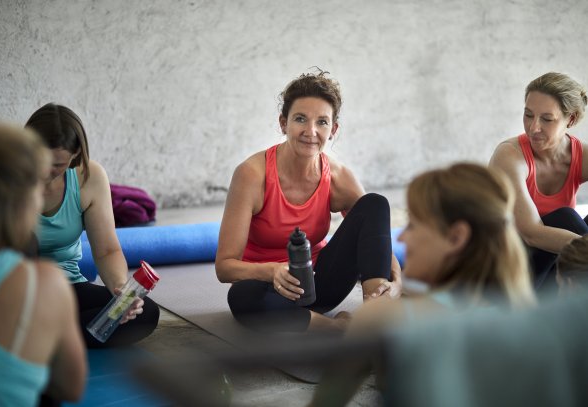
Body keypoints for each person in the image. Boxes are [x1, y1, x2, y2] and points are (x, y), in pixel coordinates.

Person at [309, 163, 537, 407]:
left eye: (414, 225)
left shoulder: (382, 317)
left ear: (456, 237)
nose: (404, 236)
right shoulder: (530, 319)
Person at [215, 70, 402, 332]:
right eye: (300, 119)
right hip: (270, 290)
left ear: (333, 129)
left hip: (319, 285)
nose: (311, 131)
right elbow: (224, 268)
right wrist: (272, 271)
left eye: (322, 122)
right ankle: (337, 329)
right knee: (241, 298)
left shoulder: (337, 176)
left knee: (375, 203)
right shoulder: (251, 174)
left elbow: (375, 236)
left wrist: (396, 283)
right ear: (284, 123)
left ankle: (376, 318)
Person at [25, 103, 159, 348]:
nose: (46, 171)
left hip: (65, 286)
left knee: (145, 313)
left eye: (58, 165)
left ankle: (42, 338)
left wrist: (121, 291)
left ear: (75, 155)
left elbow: (107, 250)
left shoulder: (89, 177)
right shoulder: (5, 174)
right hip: (17, 290)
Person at [0, 120, 86, 405]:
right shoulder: (44, 282)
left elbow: (109, 249)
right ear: (20, 198)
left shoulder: (86, 178)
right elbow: (71, 388)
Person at [489, 72, 588, 290]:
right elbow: (531, 234)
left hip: (553, 268)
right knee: (566, 219)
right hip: (503, 271)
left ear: (570, 119)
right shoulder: (509, 155)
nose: (534, 127)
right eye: (528, 115)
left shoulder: (582, 155)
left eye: (546, 119)